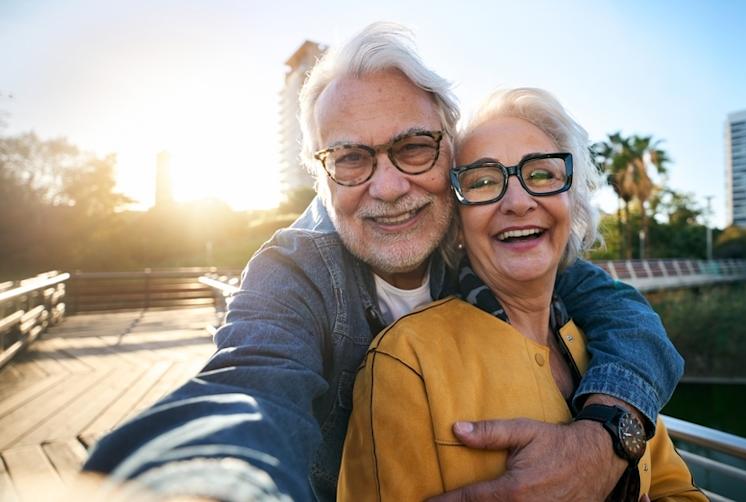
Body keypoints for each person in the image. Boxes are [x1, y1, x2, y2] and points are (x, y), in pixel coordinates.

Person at [82, 23, 684, 501]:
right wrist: (196, 481)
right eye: (350, 159)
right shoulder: (294, 273)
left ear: (450, 155)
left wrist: (604, 437)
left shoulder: (487, 240)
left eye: (413, 147)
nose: (390, 187)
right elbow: (251, 386)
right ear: (320, 175)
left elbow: (624, 311)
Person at [338, 88, 705, 501]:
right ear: (457, 221)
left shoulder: (609, 353)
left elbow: (679, 488)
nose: (518, 202)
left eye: (542, 174)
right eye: (482, 182)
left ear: (572, 201)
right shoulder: (406, 360)